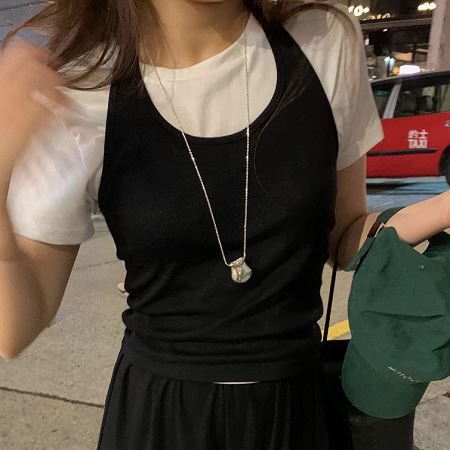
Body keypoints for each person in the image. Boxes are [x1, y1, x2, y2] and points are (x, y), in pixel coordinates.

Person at [0, 1, 449, 449]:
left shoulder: (323, 39)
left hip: (295, 408)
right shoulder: (79, 89)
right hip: (161, 419)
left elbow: (346, 233)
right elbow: (13, 329)